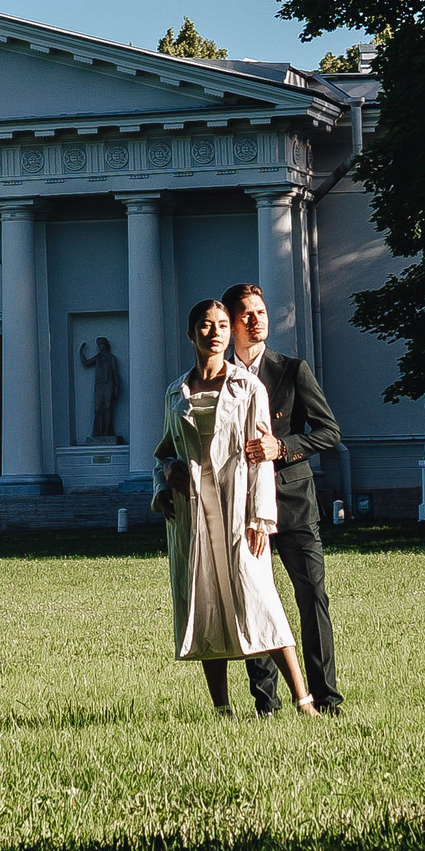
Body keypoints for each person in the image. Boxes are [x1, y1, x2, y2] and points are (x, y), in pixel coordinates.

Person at [156, 298, 318, 715]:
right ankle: (221, 708)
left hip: (239, 508)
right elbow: (164, 452)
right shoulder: (176, 392)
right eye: (206, 326)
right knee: (205, 600)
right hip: (192, 512)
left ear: (231, 334)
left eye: (223, 326)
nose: (215, 333)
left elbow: (260, 458)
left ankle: (304, 700)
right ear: (191, 334)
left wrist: (261, 517)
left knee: (258, 598)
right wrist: (164, 479)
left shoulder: (248, 388)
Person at [222, 283, 346, 715]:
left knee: (312, 599)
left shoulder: (292, 370)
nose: (258, 321)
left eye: (262, 312)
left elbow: (329, 432)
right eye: (247, 315)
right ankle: (266, 703)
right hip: (240, 509)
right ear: (232, 324)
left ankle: (327, 699)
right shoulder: (217, 379)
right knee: (255, 603)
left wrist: (284, 447)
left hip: (293, 503)